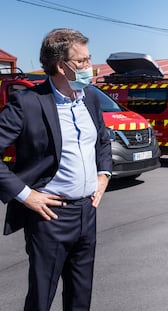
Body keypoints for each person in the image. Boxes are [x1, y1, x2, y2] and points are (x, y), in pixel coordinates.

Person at [0, 28, 112, 311]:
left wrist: (103, 175)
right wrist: (26, 195)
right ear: (62, 66)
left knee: (80, 298)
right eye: (83, 61)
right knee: (41, 298)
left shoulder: (91, 98)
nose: (91, 67)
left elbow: (101, 141)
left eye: (90, 59)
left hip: (87, 213)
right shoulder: (27, 103)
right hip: (50, 218)